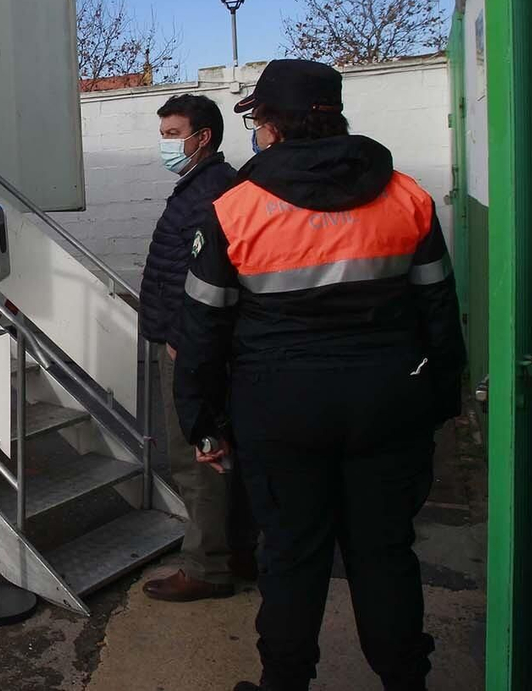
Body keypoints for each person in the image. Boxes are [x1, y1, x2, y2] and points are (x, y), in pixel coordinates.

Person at [173, 60, 466, 691]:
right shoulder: (406, 196)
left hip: (280, 413)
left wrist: (201, 424)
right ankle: (405, 682)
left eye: (256, 119)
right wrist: (441, 400)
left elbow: (201, 332)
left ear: (271, 127)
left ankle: (285, 684)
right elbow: (439, 311)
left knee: (291, 557)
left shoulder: (234, 210)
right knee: (385, 552)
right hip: (389, 406)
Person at [138, 93, 257, 603]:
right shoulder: (202, 186)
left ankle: (206, 567)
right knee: (222, 454)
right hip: (197, 346)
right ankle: (237, 553)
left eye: (171, 135)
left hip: (192, 352)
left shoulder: (210, 193)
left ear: (201, 137)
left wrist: (184, 347)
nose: (165, 144)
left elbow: (209, 284)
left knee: (196, 457)